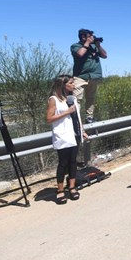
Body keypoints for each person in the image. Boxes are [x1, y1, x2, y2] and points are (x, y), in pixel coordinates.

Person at [46, 75, 88, 204]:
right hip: (62, 135)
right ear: (63, 85)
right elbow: (49, 119)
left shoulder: (72, 98)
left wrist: (82, 131)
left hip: (74, 134)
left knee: (73, 162)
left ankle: (72, 187)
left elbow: (77, 117)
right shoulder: (54, 100)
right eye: (71, 83)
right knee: (63, 163)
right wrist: (66, 112)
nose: (73, 85)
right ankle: (60, 191)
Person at [71, 28, 107, 124]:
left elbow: (104, 55)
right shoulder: (76, 46)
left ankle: (89, 117)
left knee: (90, 98)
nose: (92, 38)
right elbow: (80, 54)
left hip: (93, 77)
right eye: (90, 36)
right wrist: (87, 43)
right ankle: (76, 119)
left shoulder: (94, 46)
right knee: (77, 99)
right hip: (80, 76)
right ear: (83, 37)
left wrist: (98, 46)